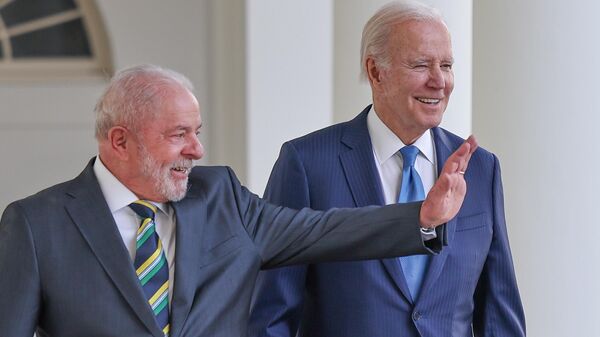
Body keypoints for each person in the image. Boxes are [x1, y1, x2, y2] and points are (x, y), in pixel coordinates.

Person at [0, 64, 476, 337]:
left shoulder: (220, 196)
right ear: (120, 142)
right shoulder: (35, 226)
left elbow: (322, 230)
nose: (197, 150)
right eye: (178, 135)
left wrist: (422, 217)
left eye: (198, 132)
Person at [248, 1, 525, 336]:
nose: (439, 81)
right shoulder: (307, 164)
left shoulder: (481, 167)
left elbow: (499, 315)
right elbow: (270, 319)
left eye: (447, 65)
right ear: (375, 71)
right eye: (421, 65)